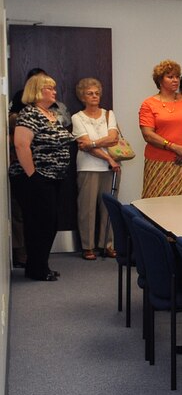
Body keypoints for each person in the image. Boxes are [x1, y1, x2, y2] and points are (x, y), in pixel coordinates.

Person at [9, 73, 75, 281]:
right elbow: (21, 145)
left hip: (53, 177)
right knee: (40, 224)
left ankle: (39, 265)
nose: (55, 92)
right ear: (37, 91)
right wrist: (33, 176)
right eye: (50, 88)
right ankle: (37, 269)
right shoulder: (29, 114)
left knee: (49, 223)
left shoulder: (50, 113)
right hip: (34, 178)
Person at [138, 59, 182, 198]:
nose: (175, 80)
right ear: (160, 80)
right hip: (159, 163)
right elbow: (148, 135)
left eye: (177, 77)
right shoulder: (149, 104)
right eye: (170, 77)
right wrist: (174, 147)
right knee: (158, 206)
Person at [71, 77, 120, 260]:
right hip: (88, 167)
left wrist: (92, 143)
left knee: (108, 208)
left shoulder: (109, 114)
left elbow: (113, 138)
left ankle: (106, 245)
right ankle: (88, 246)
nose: (94, 96)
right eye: (90, 93)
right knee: (87, 209)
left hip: (110, 168)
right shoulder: (77, 117)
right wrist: (108, 156)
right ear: (82, 97)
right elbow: (82, 143)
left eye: (97, 93)